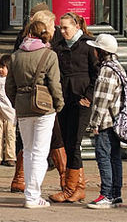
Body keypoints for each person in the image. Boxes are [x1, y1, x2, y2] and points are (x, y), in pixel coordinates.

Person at [6, 20, 64, 209]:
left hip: (23, 107)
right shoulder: (49, 55)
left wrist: (17, 101)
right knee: (40, 152)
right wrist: (59, 103)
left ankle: (31, 194)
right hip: (44, 106)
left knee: (29, 151)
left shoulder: (15, 56)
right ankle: (33, 195)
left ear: (28, 33)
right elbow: (54, 84)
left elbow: (9, 87)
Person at [49, 12, 99, 203]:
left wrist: (89, 95)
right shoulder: (59, 46)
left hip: (81, 100)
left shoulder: (87, 45)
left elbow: (97, 72)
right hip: (64, 100)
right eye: (60, 28)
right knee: (67, 142)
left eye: (65, 28)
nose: (62, 31)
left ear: (77, 26)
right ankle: (77, 187)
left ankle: (71, 189)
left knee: (74, 143)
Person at [86, 33, 125, 210]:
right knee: (115, 157)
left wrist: (94, 123)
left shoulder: (106, 70)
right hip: (117, 120)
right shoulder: (118, 66)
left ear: (101, 51)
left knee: (103, 156)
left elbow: (102, 100)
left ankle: (106, 194)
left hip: (106, 121)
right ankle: (116, 193)